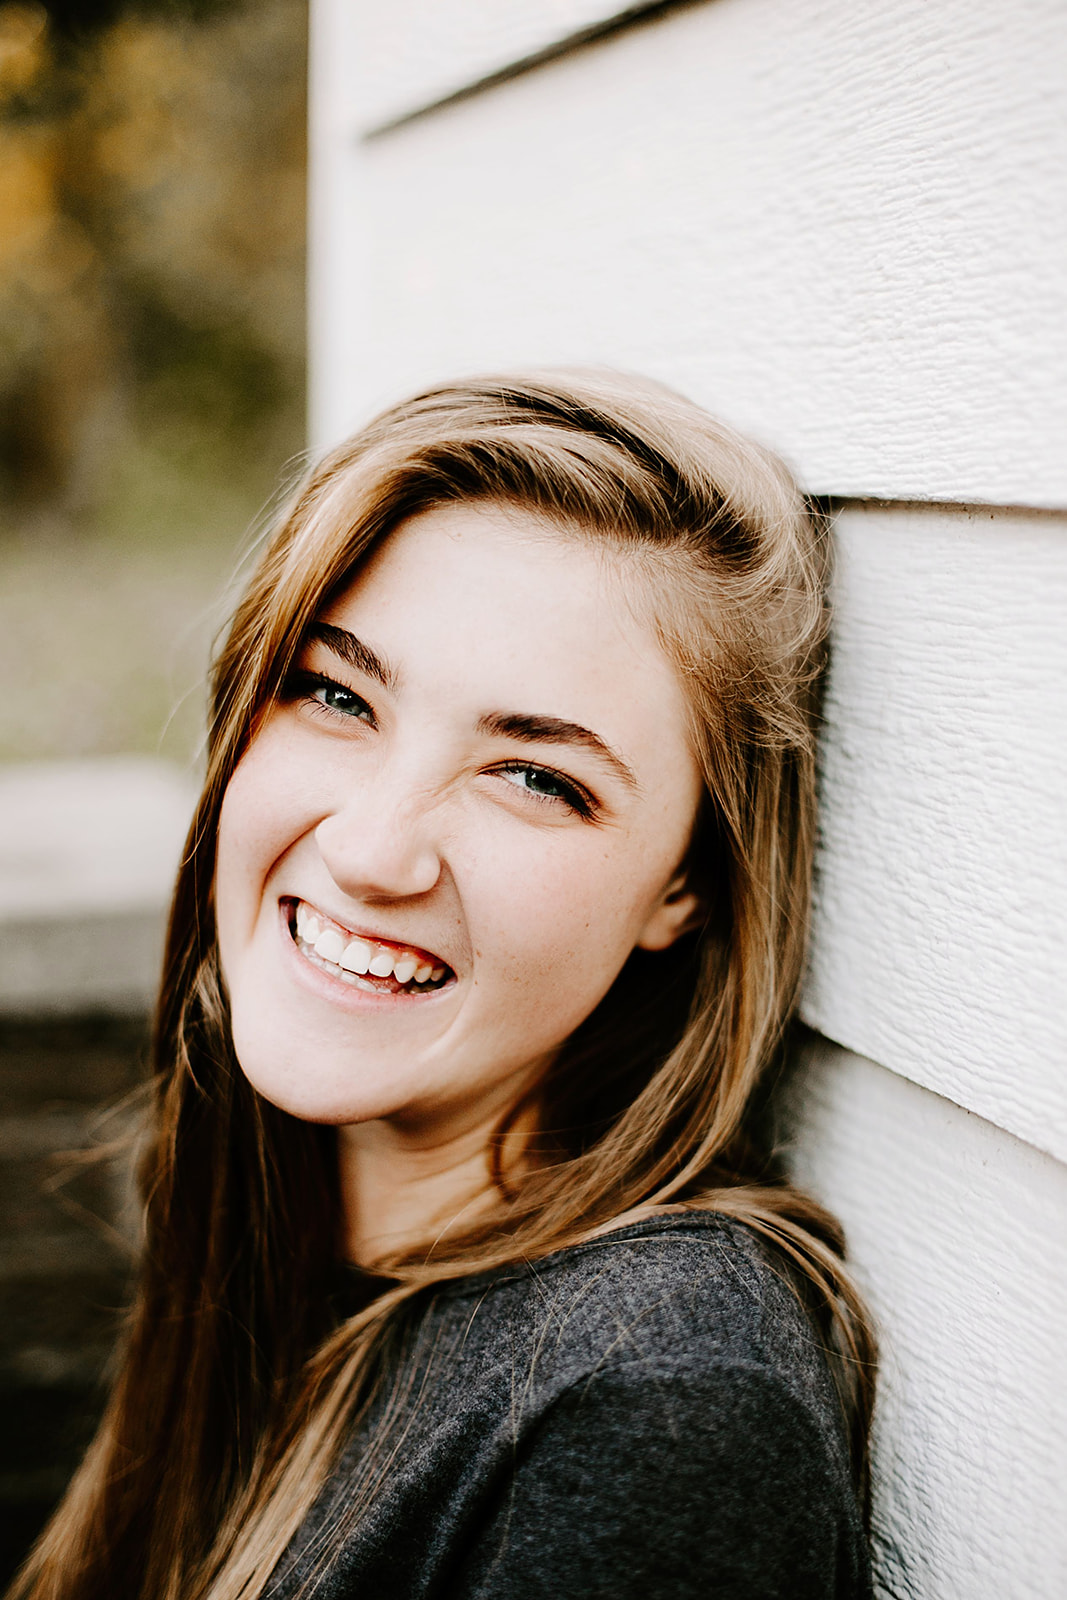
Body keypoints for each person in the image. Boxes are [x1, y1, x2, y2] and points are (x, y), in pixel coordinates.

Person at [11, 372, 877, 1600]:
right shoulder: (283, 1241)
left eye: (532, 776)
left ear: (683, 887)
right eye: (333, 692)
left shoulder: (653, 1402)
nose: (370, 850)